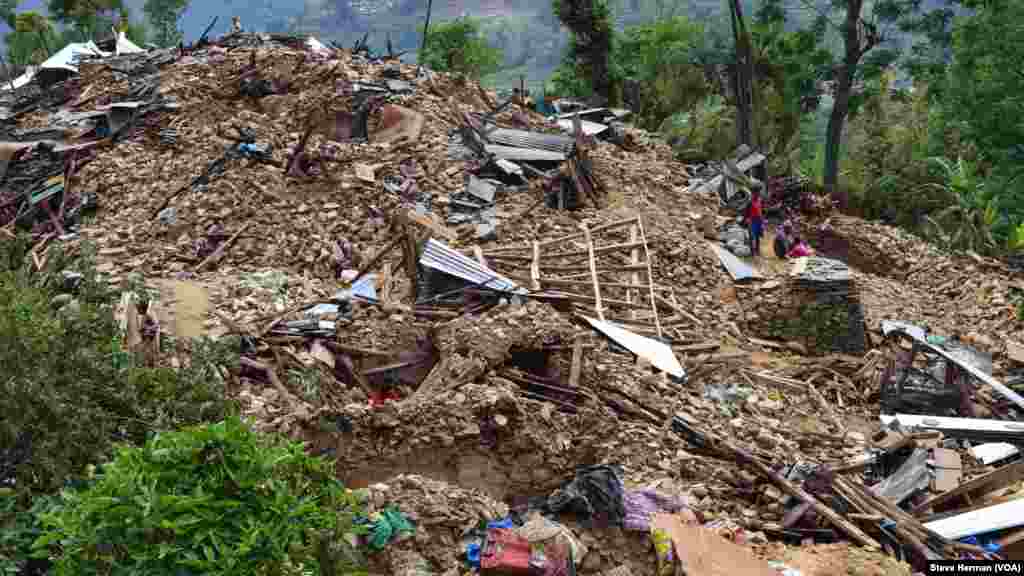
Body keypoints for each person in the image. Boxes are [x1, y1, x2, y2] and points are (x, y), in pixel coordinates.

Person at [745, 190, 764, 258]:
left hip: (758, 220)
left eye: (758, 193)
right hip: (752, 221)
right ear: (753, 194)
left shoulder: (759, 200)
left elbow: (761, 210)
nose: (758, 194)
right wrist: (747, 220)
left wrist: (762, 221)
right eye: (756, 193)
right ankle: (752, 253)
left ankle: (757, 250)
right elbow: (746, 212)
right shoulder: (750, 202)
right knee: (752, 237)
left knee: (757, 236)